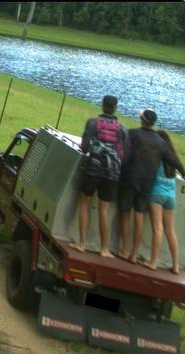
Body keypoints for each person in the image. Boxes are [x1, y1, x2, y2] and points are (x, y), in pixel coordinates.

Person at [117, 109, 185, 264]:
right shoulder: (161, 142)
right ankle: (135, 254)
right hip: (147, 183)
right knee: (139, 216)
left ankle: (124, 249)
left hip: (130, 179)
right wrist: (184, 173)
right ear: (153, 123)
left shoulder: (133, 134)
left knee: (125, 213)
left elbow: (122, 147)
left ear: (142, 120)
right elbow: (173, 159)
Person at [70, 95, 128, 258]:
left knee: (85, 204)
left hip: (93, 169)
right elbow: (124, 153)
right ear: (115, 108)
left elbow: (85, 146)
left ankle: (81, 243)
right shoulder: (123, 128)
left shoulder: (93, 122)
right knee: (104, 210)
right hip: (112, 173)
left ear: (102, 105)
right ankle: (104, 248)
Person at [145, 130, 185, 273]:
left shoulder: (156, 156)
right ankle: (175, 265)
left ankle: (153, 262)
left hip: (157, 194)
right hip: (170, 196)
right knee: (170, 230)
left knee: (157, 228)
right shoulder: (172, 159)